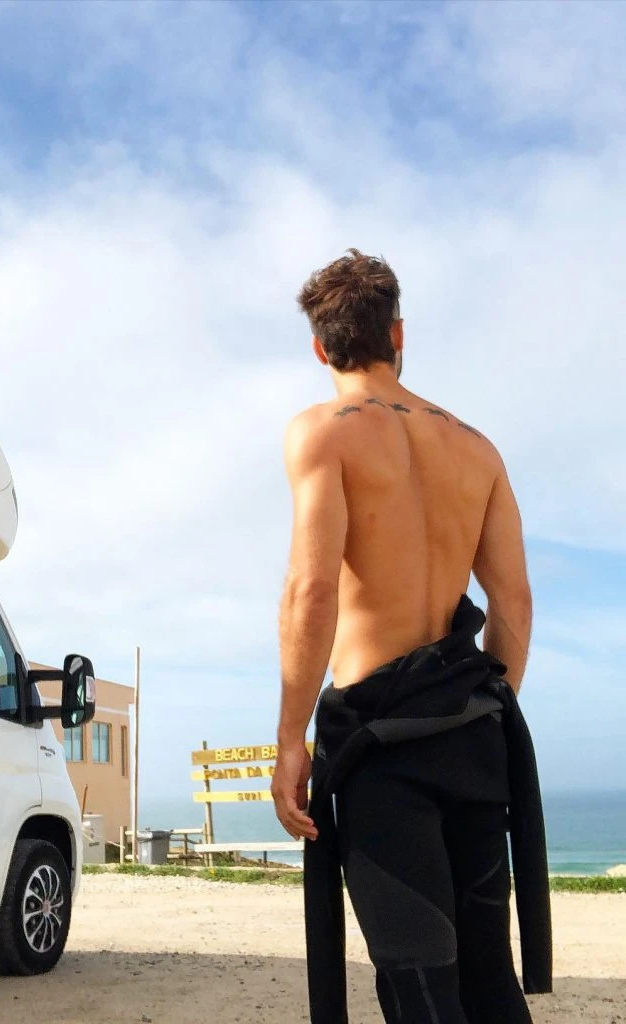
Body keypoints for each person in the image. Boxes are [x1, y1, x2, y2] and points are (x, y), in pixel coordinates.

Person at [271, 249, 551, 1023]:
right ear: (398, 334)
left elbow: (312, 591)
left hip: (382, 750)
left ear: (321, 347)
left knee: (421, 986)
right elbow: (514, 602)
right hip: (473, 737)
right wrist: (479, 714)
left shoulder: (321, 434)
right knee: (490, 982)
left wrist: (291, 740)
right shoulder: (477, 450)